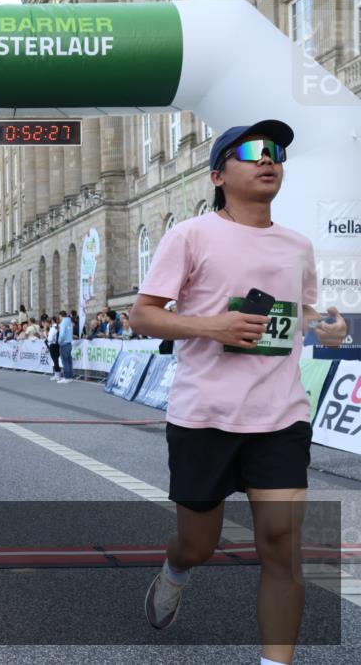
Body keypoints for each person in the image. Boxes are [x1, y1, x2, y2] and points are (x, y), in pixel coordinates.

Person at [129, 120, 347, 665]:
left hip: (281, 418)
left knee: (282, 547)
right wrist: (214, 327)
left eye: (275, 152)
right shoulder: (192, 235)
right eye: (252, 151)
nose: (268, 159)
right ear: (218, 173)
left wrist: (328, 326)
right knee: (198, 544)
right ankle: (176, 569)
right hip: (205, 417)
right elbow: (143, 315)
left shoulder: (298, 245)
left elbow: (303, 312)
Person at [57, 309, 74, 383]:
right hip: (69, 342)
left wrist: (59, 341)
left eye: (59, 317)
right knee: (69, 361)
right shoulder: (70, 322)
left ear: (61, 316)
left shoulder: (63, 322)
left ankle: (67, 377)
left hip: (64, 343)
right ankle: (70, 376)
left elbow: (62, 333)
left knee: (65, 361)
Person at [47, 314, 62, 381]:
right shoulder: (59, 327)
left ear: (53, 321)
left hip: (53, 345)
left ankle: (57, 374)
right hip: (58, 345)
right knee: (56, 360)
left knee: (55, 360)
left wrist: (47, 338)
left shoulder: (53, 328)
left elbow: (50, 338)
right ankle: (56, 374)